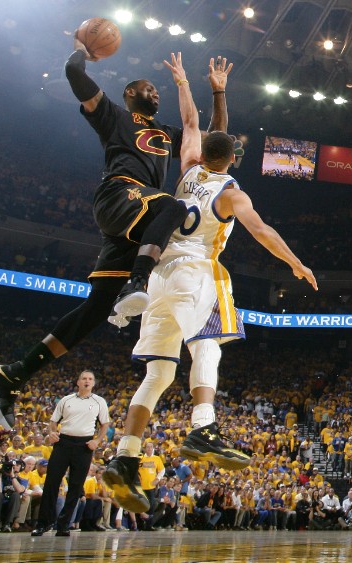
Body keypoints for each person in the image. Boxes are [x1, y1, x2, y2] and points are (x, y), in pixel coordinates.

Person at [102, 51, 317, 515]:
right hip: (197, 270)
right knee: (208, 344)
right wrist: (296, 263)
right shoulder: (232, 192)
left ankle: (125, 456)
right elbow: (262, 231)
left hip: (158, 273)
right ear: (233, 159)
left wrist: (187, 83)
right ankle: (203, 427)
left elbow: (191, 122)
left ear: (205, 155)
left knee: (159, 374)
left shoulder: (187, 169)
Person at [0, 39, 233, 433]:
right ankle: (137, 281)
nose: (154, 93)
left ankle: (11, 375)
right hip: (120, 194)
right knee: (173, 207)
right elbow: (74, 74)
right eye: (147, 88)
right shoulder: (114, 115)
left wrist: (213, 91)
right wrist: (83, 51)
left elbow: (213, 139)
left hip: (139, 221)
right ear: (129, 93)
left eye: (157, 90)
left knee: (95, 311)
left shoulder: (166, 132)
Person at [31, 369, 111, 536]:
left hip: (84, 445)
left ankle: (63, 525)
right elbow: (53, 421)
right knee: (52, 482)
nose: (87, 381)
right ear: (78, 382)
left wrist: (97, 440)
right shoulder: (66, 400)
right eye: (84, 378)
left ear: (93, 383)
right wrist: (52, 432)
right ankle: (44, 523)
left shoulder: (99, 401)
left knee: (75, 486)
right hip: (63, 442)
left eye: (90, 379)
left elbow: (105, 424)